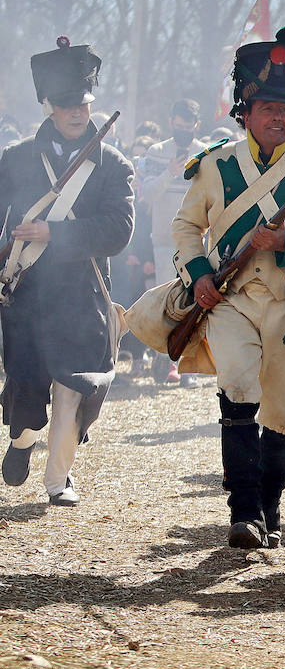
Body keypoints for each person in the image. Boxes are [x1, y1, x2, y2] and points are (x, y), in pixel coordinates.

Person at [170, 28, 285, 549]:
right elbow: (186, 228)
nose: (279, 117)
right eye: (269, 106)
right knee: (239, 387)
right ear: (245, 112)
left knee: (284, 412)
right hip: (231, 301)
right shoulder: (214, 165)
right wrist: (199, 273)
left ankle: (269, 507)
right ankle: (243, 510)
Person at [0, 37, 135, 506]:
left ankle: (58, 481)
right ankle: (21, 442)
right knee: (27, 387)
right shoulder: (15, 159)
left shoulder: (113, 164)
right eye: (67, 104)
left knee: (75, 389)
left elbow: (119, 230)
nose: (77, 112)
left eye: (83, 103)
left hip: (83, 295)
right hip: (29, 294)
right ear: (48, 107)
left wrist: (54, 234)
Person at [141, 99, 209, 384]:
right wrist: (169, 171)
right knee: (165, 302)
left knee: (195, 303)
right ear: (171, 123)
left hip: (196, 240)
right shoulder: (156, 152)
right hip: (164, 239)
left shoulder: (204, 153)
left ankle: (187, 365)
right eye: (179, 126)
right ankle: (162, 362)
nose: (183, 131)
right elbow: (147, 194)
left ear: (197, 125)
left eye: (188, 127)